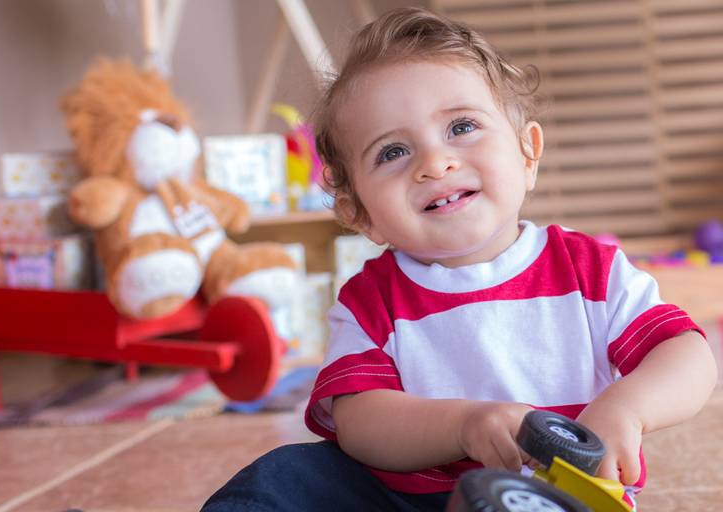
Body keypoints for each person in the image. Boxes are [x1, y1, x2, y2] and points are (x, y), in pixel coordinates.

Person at [201, 7, 717, 511]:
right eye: (392, 152)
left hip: (556, 493)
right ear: (361, 215)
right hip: (405, 497)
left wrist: (627, 407)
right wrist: (463, 425)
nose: (434, 162)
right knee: (283, 475)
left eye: (462, 127)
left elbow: (686, 355)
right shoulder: (370, 300)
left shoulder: (590, 270)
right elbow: (360, 421)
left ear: (527, 153)